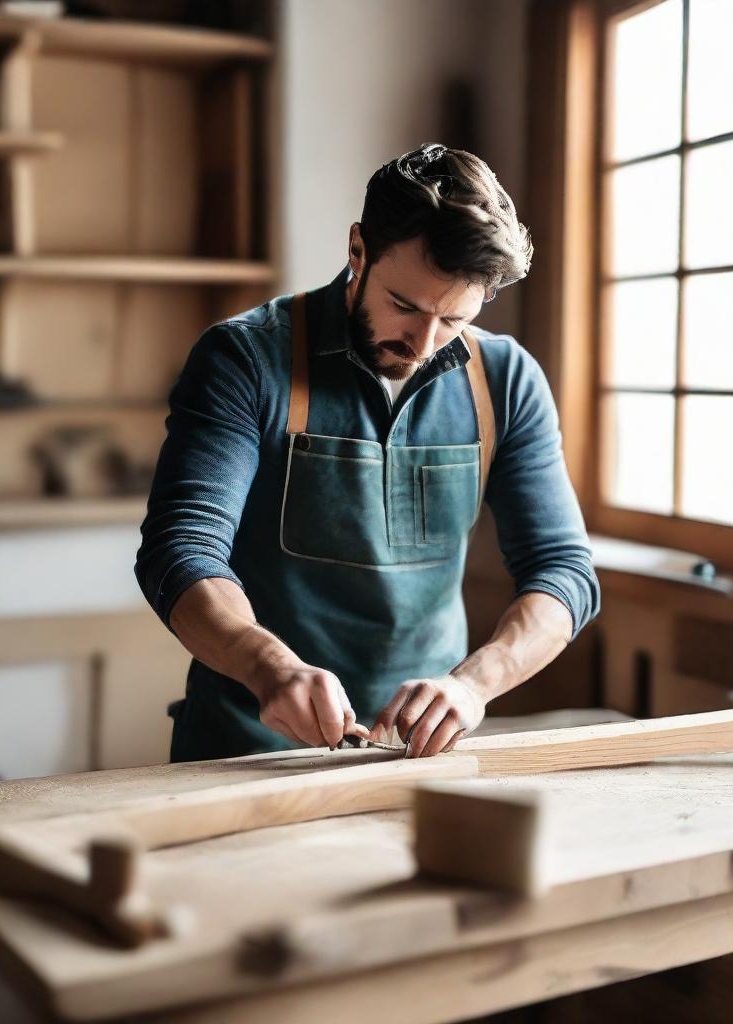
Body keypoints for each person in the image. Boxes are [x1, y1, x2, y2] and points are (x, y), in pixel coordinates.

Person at [135, 143, 601, 761]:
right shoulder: (245, 358)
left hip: (419, 754)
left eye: (453, 320)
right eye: (404, 306)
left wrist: (473, 686)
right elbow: (180, 550)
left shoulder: (507, 380)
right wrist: (268, 666)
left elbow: (564, 571)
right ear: (358, 250)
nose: (424, 343)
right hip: (246, 747)